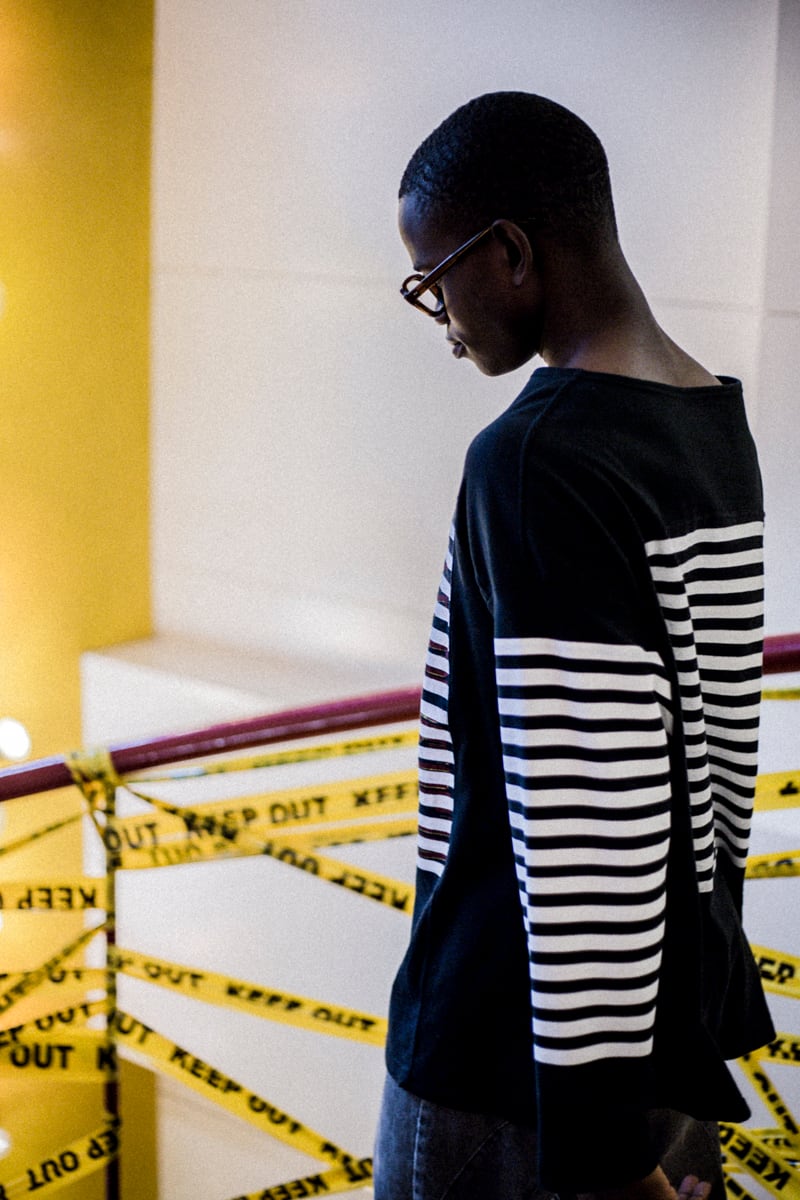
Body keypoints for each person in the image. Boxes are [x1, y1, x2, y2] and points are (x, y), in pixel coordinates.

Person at [374, 92, 774, 1200]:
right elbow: (711, 780)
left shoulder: (533, 458)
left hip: (524, 1084)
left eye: (433, 280)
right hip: (655, 1045)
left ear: (508, 253)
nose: (440, 317)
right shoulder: (709, 420)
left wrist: (610, 1166)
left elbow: (584, 825)